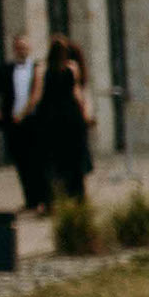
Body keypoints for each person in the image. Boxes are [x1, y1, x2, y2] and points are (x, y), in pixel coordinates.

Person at [32, 36, 93, 203]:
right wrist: (86, 113)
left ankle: (51, 199)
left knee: (52, 159)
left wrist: (27, 113)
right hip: (70, 116)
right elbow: (77, 93)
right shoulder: (72, 68)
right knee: (73, 157)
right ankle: (77, 195)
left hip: (50, 117)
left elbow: (37, 95)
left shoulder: (42, 69)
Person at [0, 36, 48, 212]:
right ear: (14, 49)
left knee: (38, 161)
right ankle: (30, 199)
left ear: (30, 48)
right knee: (21, 162)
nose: (22, 50)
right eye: (18, 48)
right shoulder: (6, 69)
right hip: (14, 122)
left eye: (24, 47)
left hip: (34, 121)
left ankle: (42, 198)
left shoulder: (37, 68)